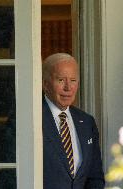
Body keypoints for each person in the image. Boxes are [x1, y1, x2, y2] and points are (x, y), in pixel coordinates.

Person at [42, 53, 105, 189]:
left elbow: (95, 177)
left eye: (73, 80)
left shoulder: (87, 122)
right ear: (45, 84)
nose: (68, 87)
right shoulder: (32, 120)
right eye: (60, 80)